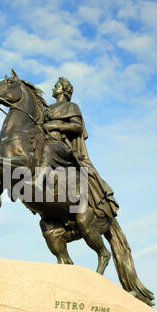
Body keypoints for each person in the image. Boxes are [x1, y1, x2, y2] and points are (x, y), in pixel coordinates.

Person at [33, 77, 119, 219]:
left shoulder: (71, 106)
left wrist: (56, 126)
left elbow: (77, 126)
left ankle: (38, 181)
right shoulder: (47, 108)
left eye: (56, 86)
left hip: (60, 146)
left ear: (65, 90)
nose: (53, 88)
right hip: (44, 142)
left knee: (48, 149)